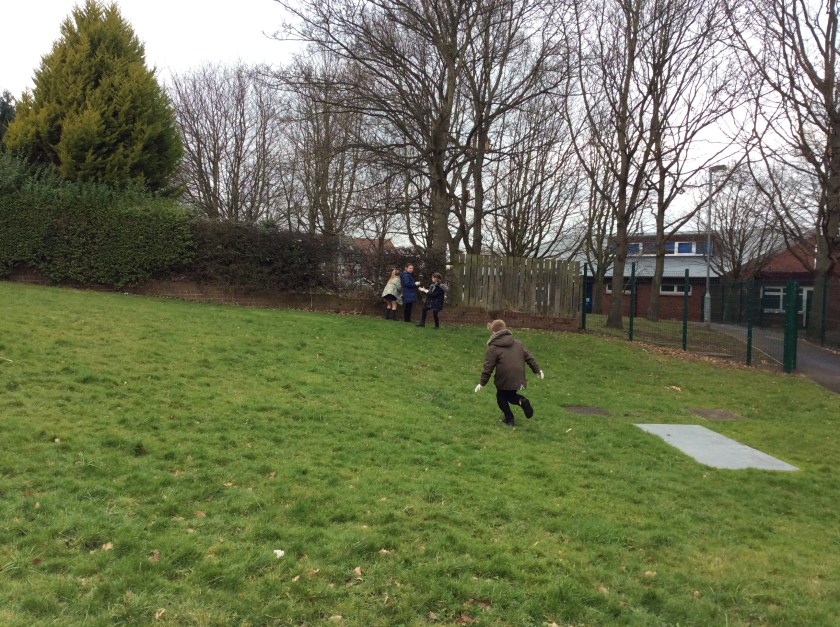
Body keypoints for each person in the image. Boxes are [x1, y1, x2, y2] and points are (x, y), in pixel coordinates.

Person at [474, 319, 544, 426]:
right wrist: (537, 370)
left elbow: (488, 367)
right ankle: (522, 401)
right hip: (518, 376)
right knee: (511, 396)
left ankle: (509, 419)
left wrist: (482, 383)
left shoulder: (493, 348)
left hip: (504, 377)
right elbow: (529, 357)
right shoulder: (518, 344)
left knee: (501, 397)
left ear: (493, 332)